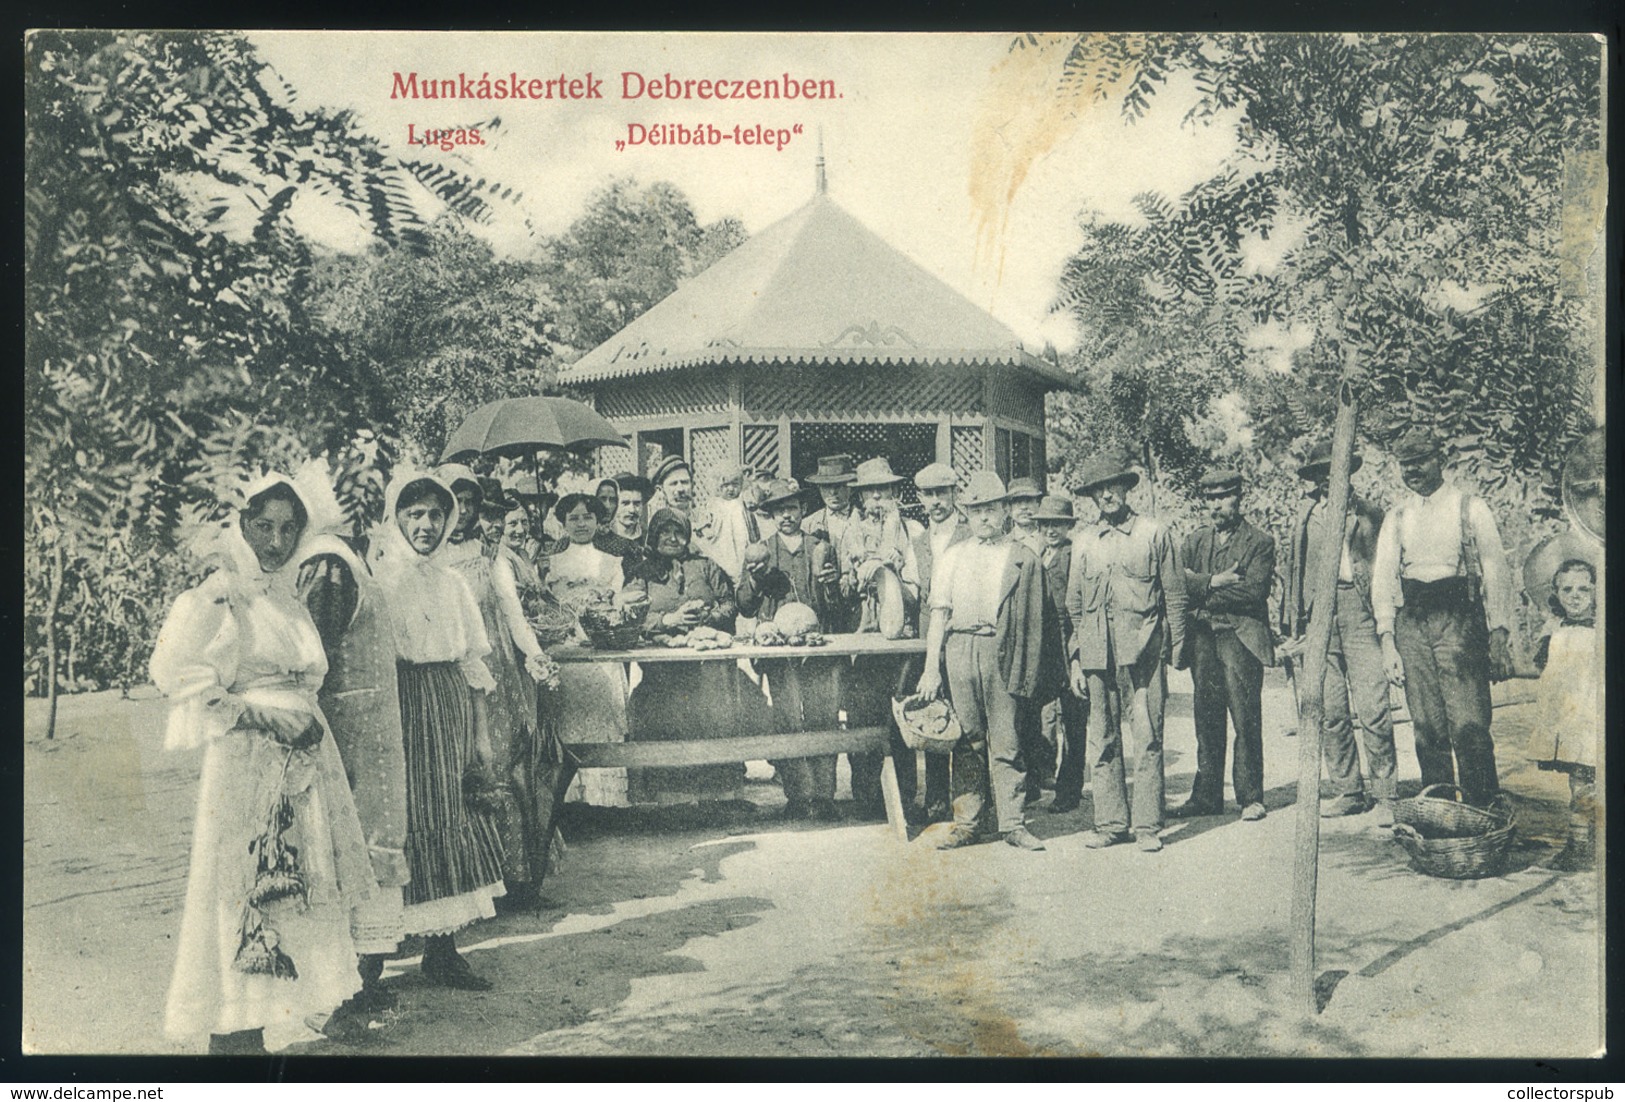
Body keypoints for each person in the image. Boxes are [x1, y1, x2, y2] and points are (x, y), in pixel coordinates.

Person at [151, 473, 374, 1054]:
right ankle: (234, 1036)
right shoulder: (221, 595)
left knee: (295, 889)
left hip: (302, 766)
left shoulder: (284, 594)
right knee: (243, 890)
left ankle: (264, 1025)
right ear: (241, 525)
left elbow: (308, 678)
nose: (275, 541)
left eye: (287, 528)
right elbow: (185, 678)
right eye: (263, 526)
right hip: (248, 764)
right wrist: (271, 718)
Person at [373, 470, 507, 989]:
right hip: (400, 706)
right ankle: (372, 963)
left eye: (435, 515)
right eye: (415, 515)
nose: (426, 525)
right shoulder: (380, 581)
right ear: (397, 518)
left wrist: (480, 736)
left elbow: (473, 664)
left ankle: (443, 949)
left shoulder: (453, 583)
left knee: (449, 814)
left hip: (448, 705)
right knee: (400, 817)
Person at [292, 460, 410, 1034]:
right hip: (348, 736)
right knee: (349, 855)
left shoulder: (351, 556)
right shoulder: (328, 564)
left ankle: (362, 987)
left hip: (372, 734)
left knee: (372, 853)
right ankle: (333, 999)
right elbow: (312, 658)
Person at [1371, 428, 1516, 807]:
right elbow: (1383, 580)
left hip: (1460, 619)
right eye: (1406, 464)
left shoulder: (1470, 507)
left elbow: (1497, 572)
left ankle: (1482, 810)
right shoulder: (1398, 516)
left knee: (1469, 723)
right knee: (1427, 726)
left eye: (1420, 461)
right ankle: (1441, 811)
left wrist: (1499, 632)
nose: (1413, 470)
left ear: (1441, 459)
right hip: (1413, 623)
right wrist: (1388, 641)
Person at [916, 472, 1060, 851]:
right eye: (976, 510)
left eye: (991, 510)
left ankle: (1013, 823)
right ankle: (968, 822)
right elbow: (938, 616)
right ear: (967, 513)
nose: (984, 518)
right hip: (960, 651)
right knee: (966, 740)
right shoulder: (952, 557)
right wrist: (932, 667)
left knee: (1007, 737)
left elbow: (1042, 622)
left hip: (1002, 649)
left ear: (1005, 513)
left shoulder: (1022, 559)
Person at [436, 465, 552, 911]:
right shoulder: (426, 555)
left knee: (500, 770)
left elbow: (511, 611)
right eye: (457, 502)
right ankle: (464, 886)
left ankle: (513, 882)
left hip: (495, 675)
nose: (463, 512)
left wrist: (535, 655)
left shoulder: (490, 554)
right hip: (447, 677)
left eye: (470, 503)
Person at [1067, 448, 1189, 853]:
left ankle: (1147, 826)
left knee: (1148, 736)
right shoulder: (1083, 541)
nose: (1107, 496)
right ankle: (1111, 822)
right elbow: (1074, 606)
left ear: (1125, 487)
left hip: (1144, 653)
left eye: (1113, 486)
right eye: (1099, 490)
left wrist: (1177, 649)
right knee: (1101, 739)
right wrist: (1075, 659)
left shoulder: (1154, 533)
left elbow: (1174, 594)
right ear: (1092, 497)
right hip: (1098, 654)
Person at [1282, 440, 1397, 823]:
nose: (1328, 480)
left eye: (1335, 471)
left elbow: (1385, 570)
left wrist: (1387, 623)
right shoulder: (1306, 517)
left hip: (1359, 609)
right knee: (1330, 708)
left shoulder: (1369, 515)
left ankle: (1385, 794)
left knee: (1374, 706)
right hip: (1319, 616)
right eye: (1321, 474)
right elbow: (1294, 570)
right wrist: (1294, 623)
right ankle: (1348, 789)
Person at [629, 508, 769, 803]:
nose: (672, 538)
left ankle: (720, 798)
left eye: (678, 532)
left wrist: (706, 618)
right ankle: (674, 800)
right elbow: (629, 616)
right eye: (664, 532)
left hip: (709, 670)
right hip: (663, 674)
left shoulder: (705, 566)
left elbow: (730, 604)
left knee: (718, 716)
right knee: (668, 719)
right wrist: (668, 621)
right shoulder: (641, 573)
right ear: (653, 536)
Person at [735, 479, 842, 820]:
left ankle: (824, 798)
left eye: (791, 508)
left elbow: (836, 602)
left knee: (823, 719)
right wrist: (754, 581)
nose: (786, 516)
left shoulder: (820, 545)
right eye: (778, 510)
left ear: (802, 510)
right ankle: (797, 796)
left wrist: (830, 586)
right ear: (771, 515)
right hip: (779, 651)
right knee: (787, 720)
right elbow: (746, 607)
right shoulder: (761, 549)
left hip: (818, 647)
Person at [1176, 469, 1276, 823]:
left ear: (1238, 498)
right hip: (1203, 638)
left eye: (1224, 497)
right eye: (1211, 499)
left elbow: (1253, 592)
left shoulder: (1259, 542)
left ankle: (1250, 796)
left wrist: (1199, 590)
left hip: (1240, 637)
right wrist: (1214, 582)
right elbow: (1176, 584)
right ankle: (1206, 796)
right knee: (1206, 717)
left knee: (1245, 716)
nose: (1217, 505)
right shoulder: (1195, 541)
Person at [840, 457, 926, 818]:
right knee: (862, 719)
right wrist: (854, 578)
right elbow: (841, 588)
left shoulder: (912, 531)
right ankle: (865, 799)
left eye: (883, 491)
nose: (876, 499)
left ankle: (905, 801)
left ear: (893, 493)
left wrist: (892, 572)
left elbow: (918, 591)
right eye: (869, 493)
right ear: (860, 498)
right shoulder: (849, 532)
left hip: (900, 642)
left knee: (900, 721)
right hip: (863, 642)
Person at [548, 491, 630, 807]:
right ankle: (570, 800)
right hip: (567, 652)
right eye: (574, 518)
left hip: (599, 649)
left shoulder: (611, 562)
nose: (581, 523)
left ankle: (603, 801)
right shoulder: (551, 563)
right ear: (563, 523)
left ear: (598, 520)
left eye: (588, 517)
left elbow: (617, 604)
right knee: (568, 723)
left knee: (602, 722)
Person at [1528, 558, 1600, 870]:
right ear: (1556, 593)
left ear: (1597, 592)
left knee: (1593, 782)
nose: (1575, 595)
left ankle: (1589, 843)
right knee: (1579, 782)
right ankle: (1579, 844)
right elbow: (1545, 671)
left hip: (1595, 715)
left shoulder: (1602, 628)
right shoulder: (1553, 629)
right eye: (1567, 589)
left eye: (1584, 588)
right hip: (1570, 719)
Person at [909, 462, 971, 823]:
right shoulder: (917, 541)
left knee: (965, 720)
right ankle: (935, 802)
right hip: (926, 637)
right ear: (920, 498)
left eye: (941, 493)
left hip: (961, 636)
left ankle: (969, 802)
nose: (935, 501)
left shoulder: (968, 535)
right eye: (928, 494)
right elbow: (911, 590)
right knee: (933, 716)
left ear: (954, 494)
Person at [1033, 495, 1089, 815]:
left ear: (1068, 526)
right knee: (1037, 714)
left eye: (1057, 523)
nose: (1050, 529)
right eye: (1045, 524)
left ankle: (1070, 789)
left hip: (1067, 639)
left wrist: (1077, 649)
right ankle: (1035, 781)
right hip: (1043, 642)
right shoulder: (1037, 554)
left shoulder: (1072, 555)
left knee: (1073, 716)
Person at [1005, 476, 1058, 805]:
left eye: (1031, 500)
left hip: (1050, 632)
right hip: (1018, 633)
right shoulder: (1003, 542)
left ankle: (1045, 768)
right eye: (1018, 502)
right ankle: (1024, 778)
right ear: (1008, 508)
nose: (1025, 507)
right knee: (1018, 707)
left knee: (1048, 708)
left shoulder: (1051, 538)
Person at [801, 453, 861, 630]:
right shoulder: (808, 524)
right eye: (827, 487)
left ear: (851, 487)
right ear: (819, 488)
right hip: (823, 610)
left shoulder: (863, 521)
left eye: (839, 486)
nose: (833, 493)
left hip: (857, 607)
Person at [694, 464, 761, 582]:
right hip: (720, 542)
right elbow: (703, 523)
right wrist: (706, 530)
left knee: (741, 566)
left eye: (735, 485)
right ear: (718, 487)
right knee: (721, 567)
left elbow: (754, 508)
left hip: (739, 541)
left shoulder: (742, 503)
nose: (730, 489)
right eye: (726, 485)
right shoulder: (713, 504)